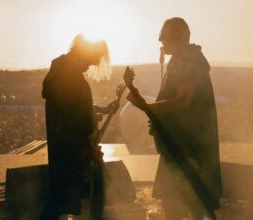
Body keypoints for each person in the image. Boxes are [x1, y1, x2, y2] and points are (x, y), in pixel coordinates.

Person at [126, 17, 222, 219]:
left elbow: (183, 101)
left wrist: (148, 107)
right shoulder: (185, 59)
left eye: (165, 36)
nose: (161, 41)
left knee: (184, 202)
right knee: (188, 202)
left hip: (186, 147)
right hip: (184, 144)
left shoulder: (187, 60)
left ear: (179, 36)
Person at [41, 34, 116, 220]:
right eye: (91, 61)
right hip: (74, 150)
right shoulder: (72, 78)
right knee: (96, 189)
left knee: (59, 200)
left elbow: (72, 107)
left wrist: (98, 110)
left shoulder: (61, 71)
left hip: (63, 148)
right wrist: (89, 142)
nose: (90, 66)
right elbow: (79, 120)